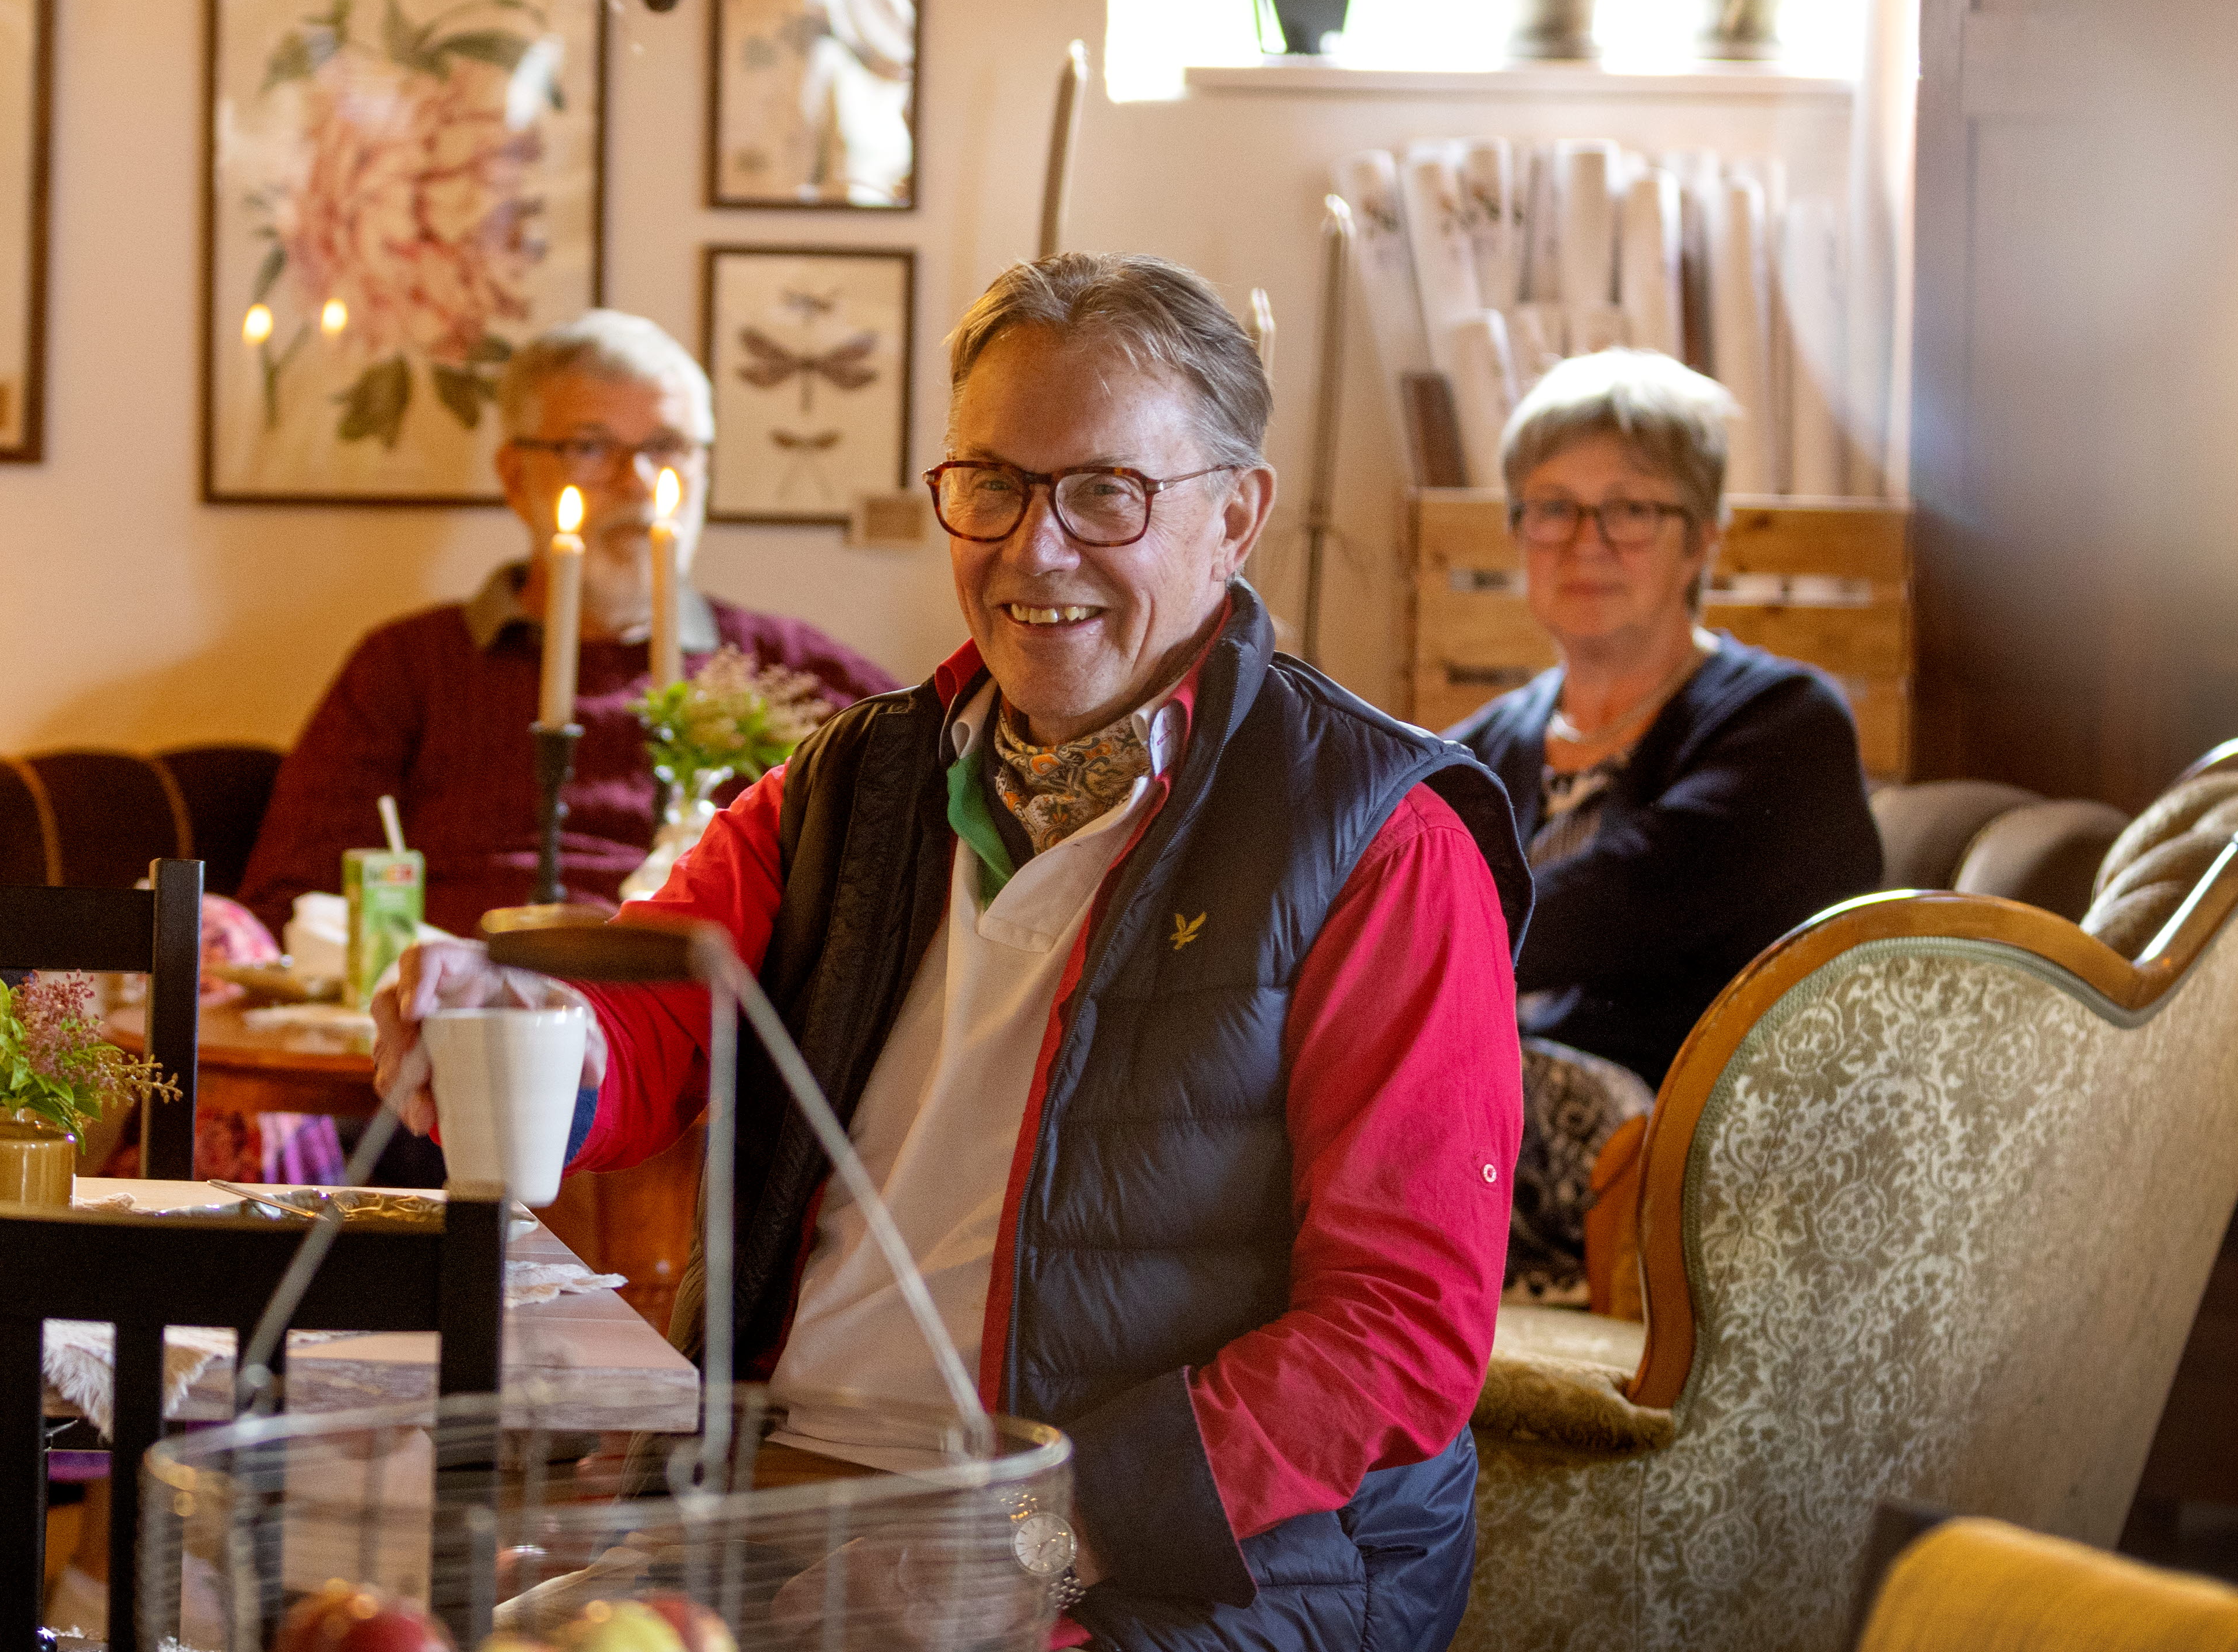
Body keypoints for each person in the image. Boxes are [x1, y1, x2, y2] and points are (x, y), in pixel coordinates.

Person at [376, 255, 1533, 1650]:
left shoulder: (1377, 841)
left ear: (1236, 514)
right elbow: (640, 1025)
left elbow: (1394, 1336)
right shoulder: (850, 785)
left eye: (1106, 492)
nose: (1034, 550)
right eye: (991, 482)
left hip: (1160, 1563)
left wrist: (1026, 1538)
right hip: (785, 1497)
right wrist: (506, 1019)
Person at [1446, 350, 1882, 1295]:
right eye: (1551, 505)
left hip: (1702, 1170)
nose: (1583, 539)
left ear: (1700, 540)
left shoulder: (1783, 723)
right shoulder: (1479, 746)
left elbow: (1620, 898)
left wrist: (1397, 944)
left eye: (1631, 508)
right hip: (1493, 1140)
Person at [240, 310, 895, 936]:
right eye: (589, 446)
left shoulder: (792, 673)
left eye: (667, 446)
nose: (637, 482)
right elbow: (289, 901)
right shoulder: (408, 668)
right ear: (515, 477)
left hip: (707, 1030)